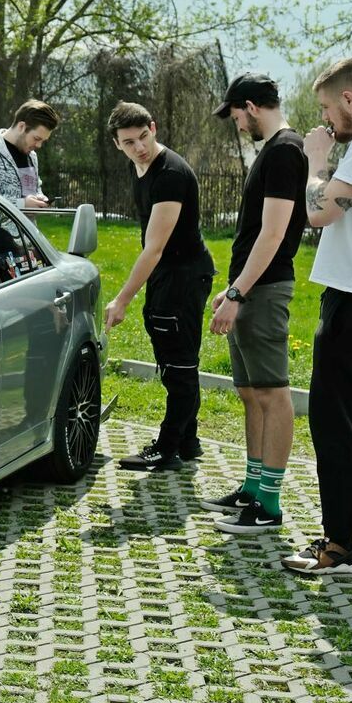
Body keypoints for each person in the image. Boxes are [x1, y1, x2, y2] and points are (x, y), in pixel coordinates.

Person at [281, 57, 352, 575]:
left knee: (332, 415)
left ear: (349, 99)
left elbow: (319, 212)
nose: (327, 120)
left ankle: (338, 546)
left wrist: (314, 161)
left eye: (328, 107)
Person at [204, 73, 308, 534]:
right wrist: (232, 288)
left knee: (271, 392)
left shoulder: (285, 149)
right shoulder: (273, 149)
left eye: (236, 116)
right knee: (250, 392)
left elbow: (274, 233)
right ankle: (251, 486)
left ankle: (269, 503)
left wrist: (239, 292)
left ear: (250, 105)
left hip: (265, 289)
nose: (238, 125)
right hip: (249, 286)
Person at [103, 101, 216, 471]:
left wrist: (121, 299)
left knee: (178, 365)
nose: (139, 147)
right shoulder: (142, 167)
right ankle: (188, 440)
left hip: (183, 275)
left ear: (153, 127)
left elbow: (154, 248)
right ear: (117, 145)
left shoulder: (170, 174)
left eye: (143, 137)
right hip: (169, 275)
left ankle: (167, 448)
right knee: (172, 357)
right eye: (128, 142)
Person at [0, 100, 59, 210]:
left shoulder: (32, 156)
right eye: (36, 139)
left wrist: (40, 199)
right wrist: (21, 204)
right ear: (21, 126)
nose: (39, 145)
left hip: (27, 227)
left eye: (43, 141)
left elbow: (34, 191)